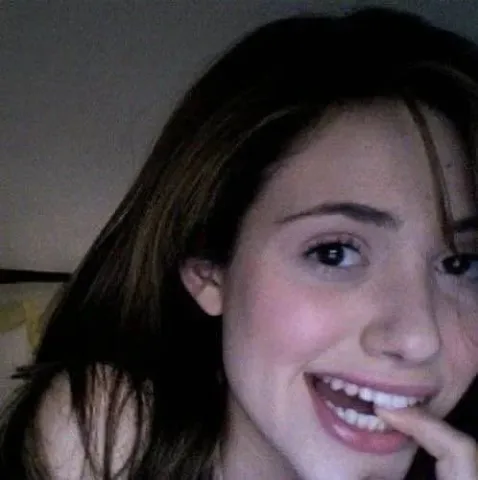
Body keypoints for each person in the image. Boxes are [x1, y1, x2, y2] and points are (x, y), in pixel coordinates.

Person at [1, 6, 478, 479]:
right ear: (209, 275)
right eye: (334, 253)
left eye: (462, 265)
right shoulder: (111, 437)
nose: (419, 339)